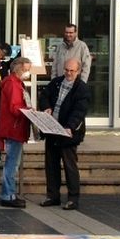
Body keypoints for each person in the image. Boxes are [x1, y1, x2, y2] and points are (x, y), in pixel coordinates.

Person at [39, 58, 91, 210]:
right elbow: (44, 96)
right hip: (52, 130)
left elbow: (79, 111)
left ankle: (73, 198)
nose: (68, 73)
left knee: (70, 166)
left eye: (72, 71)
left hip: (68, 133)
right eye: (66, 70)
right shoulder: (56, 82)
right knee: (51, 165)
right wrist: (46, 107)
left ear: (78, 71)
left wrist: (70, 127)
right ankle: (52, 195)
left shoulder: (82, 89)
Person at [0, 57, 33, 208]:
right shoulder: (13, 83)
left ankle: (9, 193)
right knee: (12, 163)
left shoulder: (16, 83)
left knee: (13, 162)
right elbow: (14, 107)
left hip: (14, 127)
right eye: (26, 69)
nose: (28, 73)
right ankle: (8, 194)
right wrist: (29, 111)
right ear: (18, 69)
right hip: (14, 127)